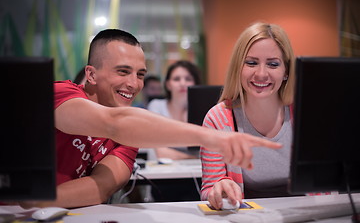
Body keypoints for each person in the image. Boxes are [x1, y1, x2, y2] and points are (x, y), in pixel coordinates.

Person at [18, 28, 281, 209]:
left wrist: (38, 200)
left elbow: (103, 186)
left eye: (140, 74)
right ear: (91, 74)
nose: (133, 84)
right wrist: (210, 136)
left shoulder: (129, 138)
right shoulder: (60, 93)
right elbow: (113, 121)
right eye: (123, 71)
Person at [200, 22, 296, 210]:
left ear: (286, 71)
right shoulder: (217, 119)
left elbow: (327, 187)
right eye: (251, 63)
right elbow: (209, 189)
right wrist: (217, 190)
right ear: (238, 68)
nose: (261, 74)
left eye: (273, 64)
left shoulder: (305, 115)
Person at [147, 60, 201, 160]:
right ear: (168, 84)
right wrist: (193, 157)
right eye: (176, 79)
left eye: (188, 79)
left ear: (195, 83)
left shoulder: (203, 110)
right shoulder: (156, 106)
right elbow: (160, 152)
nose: (182, 83)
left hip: (197, 170)